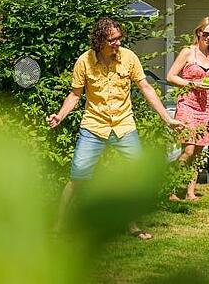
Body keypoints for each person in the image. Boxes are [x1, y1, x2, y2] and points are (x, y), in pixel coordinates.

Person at [47, 16, 184, 239]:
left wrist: (167, 119)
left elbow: (146, 88)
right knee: (78, 177)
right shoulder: (84, 62)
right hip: (94, 126)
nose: (118, 43)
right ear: (100, 40)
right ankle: (59, 225)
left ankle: (133, 226)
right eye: (113, 39)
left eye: (120, 38)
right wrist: (59, 116)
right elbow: (75, 95)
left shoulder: (129, 58)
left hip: (123, 125)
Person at [166, 17, 209, 201]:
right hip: (187, 104)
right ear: (198, 32)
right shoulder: (187, 52)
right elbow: (171, 76)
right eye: (205, 33)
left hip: (204, 106)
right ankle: (171, 187)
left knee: (198, 151)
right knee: (188, 150)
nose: (208, 38)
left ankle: (190, 191)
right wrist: (191, 84)